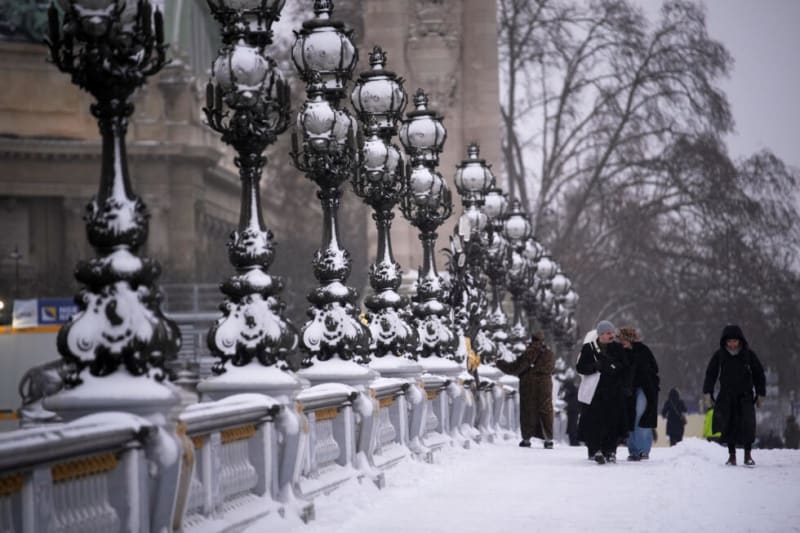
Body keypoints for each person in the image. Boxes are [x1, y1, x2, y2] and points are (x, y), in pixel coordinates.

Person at [703, 324, 766, 467]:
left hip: (745, 396)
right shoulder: (720, 355)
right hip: (727, 395)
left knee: (748, 425)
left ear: (740, 341)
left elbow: (759, 374)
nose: (732, 344)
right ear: (725, 341)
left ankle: (748, 454)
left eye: (735, 341)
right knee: (728, 425)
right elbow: (711, 374)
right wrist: (708, 392)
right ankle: (732, 455)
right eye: (729, 341)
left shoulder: (748, 355)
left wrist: (760, 393)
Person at [576, 320, 630, 464]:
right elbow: (580, 367)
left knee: (613, 422)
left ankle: (610, 451)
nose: (611, 335)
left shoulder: (618, 349)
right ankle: (595, 450)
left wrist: (614, 368)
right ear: (600, 335)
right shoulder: (589, 348)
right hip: (595, 393)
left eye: (612, 332)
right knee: (595, 422)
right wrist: (595, 367)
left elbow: (625, 366)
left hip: (614, 392)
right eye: (608, 333)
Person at [496, 332, 555, 449]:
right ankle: (548, 439)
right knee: (545, 410)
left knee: (528, 410)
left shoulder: (529, 352)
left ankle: (526, 439)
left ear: (532, 340)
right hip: (545, 385)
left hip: (529, 385)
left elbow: (516, 368)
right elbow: (550, 368)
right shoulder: (550, 354)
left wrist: (500, 363)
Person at [618, 326, 659, 460]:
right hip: (629, 390)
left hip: (644, 388)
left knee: (640, 417)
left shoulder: (643, 350)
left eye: (623, 338)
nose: (621, 341)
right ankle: (634, 450)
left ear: (629, 339)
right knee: (630, 419)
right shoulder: (620, 352)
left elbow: (653, 369)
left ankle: (643, 450)